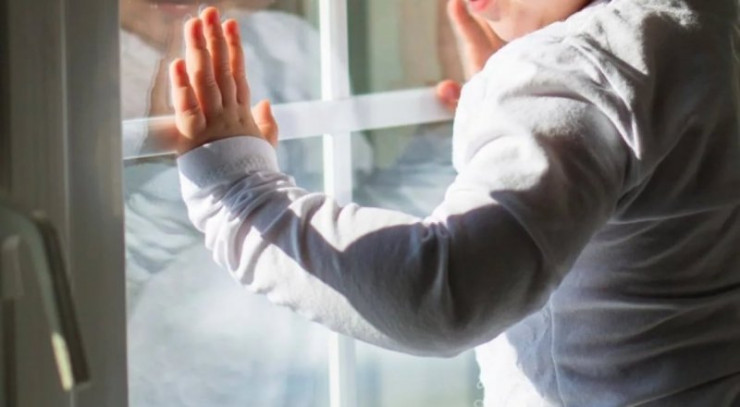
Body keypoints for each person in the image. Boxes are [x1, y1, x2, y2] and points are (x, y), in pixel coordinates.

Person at [170, 0, 740, 405]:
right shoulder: (712, 27)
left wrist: (238, 196)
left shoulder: (575, 68)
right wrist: (519, 126)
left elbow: (444, 296)